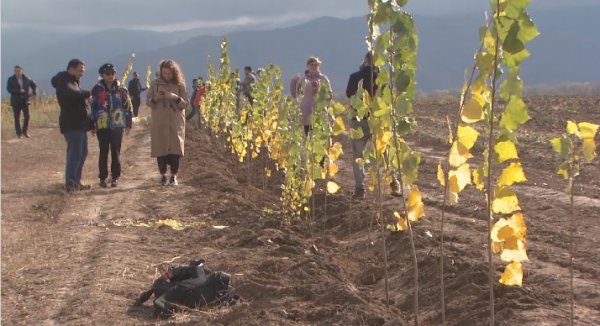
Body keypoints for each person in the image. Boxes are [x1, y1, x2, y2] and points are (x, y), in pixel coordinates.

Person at [346, 52, 401, 199]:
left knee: (358, 156)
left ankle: (360, 190)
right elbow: (388, 99)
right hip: (378, 121)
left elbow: (348, 93)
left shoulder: (354, 77)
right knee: (384, 154)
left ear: (365, 61)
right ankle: (394, 183)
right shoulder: (382, 79)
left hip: (359, 120)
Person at [146, 59, 189, 186]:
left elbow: (186, 103)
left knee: (175, 151)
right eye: (164, 73)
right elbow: (148, 102)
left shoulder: (180, 86)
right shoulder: (154, 85)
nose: (167, 76)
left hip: (175, 121)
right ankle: (163, 175)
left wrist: (175, 97)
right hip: (160, 121)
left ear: (174, 73)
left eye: (169, 74)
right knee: (161, 150)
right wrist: (156, 98)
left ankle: (174, 176)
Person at [51, 59, 92, 191]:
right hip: (72, 124)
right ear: (71, 69)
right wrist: (87, 93)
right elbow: (72, 94)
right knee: (75, 153)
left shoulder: (72, 81)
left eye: (83, 71)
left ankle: (76, 181)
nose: (82, 74)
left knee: (83, 152)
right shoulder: (64, 81)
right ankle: (70, 183)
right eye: (80, 70)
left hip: (80, 124)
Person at [90, 63, 133, 188]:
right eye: (108, 74)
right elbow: (91, 107)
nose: (111, 76)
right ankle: (102, 177)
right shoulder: (96, 89)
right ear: (102, 75)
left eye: (113, 73)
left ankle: (115, 177)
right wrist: (91, 125)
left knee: (116, 151)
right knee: (103, 151)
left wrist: (129, 123)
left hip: (117, 125)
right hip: (102, 125)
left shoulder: (122, 89)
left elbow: (128, 107)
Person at [291, 57, 332, 135]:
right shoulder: (303, 80)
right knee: (307, 135)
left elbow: (329, 94)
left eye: (316, 65)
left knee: (320, 135)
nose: (314, 67)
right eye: (312, 65)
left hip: (320, 111)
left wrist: (325, 105)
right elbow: (297, 94)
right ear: (308, 66)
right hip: (305, 112)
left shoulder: (323, 79)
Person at [6, 65, 37, 138]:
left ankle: (24, 131)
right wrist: (18, 91)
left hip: (25, 101)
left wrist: (33, 93)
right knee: (17, 117)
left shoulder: (27, 79)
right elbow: (9, 90)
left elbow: (34, 85)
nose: (17, 72)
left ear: (22, 71)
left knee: (27, 116)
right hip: (16, 101)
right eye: (16, 71)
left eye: (19, 70)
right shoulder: (10, 79)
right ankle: (19, 133)